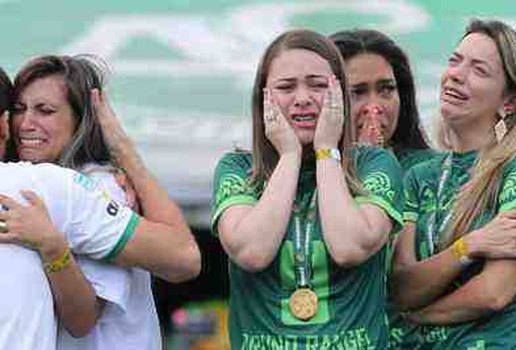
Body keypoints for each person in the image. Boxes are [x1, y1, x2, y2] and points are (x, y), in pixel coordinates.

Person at [211, 29, 404, 349]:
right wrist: (289, 155)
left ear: (340, 94)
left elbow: (349, 247)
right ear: (264, 99)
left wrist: (326, 149)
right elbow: (251, 251)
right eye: (286, 87)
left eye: (317, 85)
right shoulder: (237, 169)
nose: (303, 98)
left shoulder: (375, 164)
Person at [3, 55, 200, 349]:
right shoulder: (34, 183)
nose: (26, 124)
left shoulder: (102, 187)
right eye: (18, 110)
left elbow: (82, 318)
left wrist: (52, 245)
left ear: (81, 118)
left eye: (45, 111)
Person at [390, 19, 516, 349]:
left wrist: (418, 315)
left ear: (509, 103)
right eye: (455, 60)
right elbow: (402, 286)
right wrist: (468, 246)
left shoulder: (512, 169)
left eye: (479, 69)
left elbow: (495, 292)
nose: (456, 74)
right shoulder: (419, 176)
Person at [330, 29, 436, 172]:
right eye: (357, 92)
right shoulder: (299, 170)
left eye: (386, 89)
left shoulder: (434, 172)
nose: (374, 107)